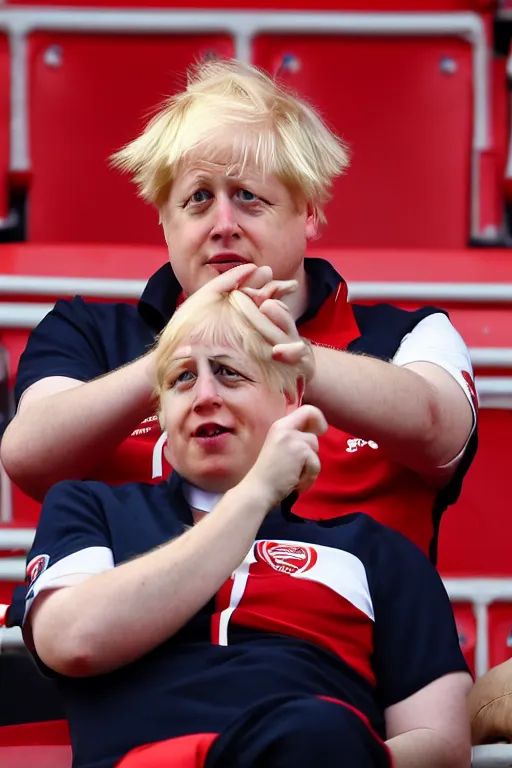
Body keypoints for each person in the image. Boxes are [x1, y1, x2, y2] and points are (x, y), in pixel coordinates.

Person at [0, 59, 477, 560]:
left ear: (309, 212)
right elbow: (29, 458)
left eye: (248, 196)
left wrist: (290, 358)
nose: (223, 223)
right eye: (199, 198)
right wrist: (179, 356)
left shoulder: (410, 335)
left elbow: (440, 433)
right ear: (165, 219)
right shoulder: (88, 332)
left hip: (347, 633)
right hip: (144, 636)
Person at [8, 286, 472, 768]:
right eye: (181, 378)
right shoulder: (89, 508)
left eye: (229, 373)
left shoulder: (377, 552)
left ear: (292, 396)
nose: (205, 395)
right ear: (161, 412)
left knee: (317, 732)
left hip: (318, 753)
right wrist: (254, 495)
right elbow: (71, 640)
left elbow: (442, 744)